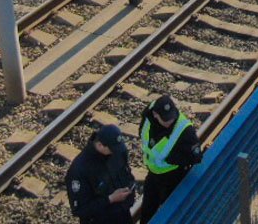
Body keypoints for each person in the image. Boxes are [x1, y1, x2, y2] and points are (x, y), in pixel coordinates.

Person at [139, 95, 202, 223]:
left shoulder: (185, 130)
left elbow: (196, 157)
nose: (170, 121)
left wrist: (170, 158)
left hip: (173, 178)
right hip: (153, 175)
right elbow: (143, 131)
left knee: (173, 214)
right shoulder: (148, 114)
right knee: (147, 213)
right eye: (165, 119)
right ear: (155, 114)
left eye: (172, 117)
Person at [65, 124, 136, 224]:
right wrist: (110, 199)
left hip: (122, 215)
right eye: (112, 149)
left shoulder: (117, 151)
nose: (115, 152)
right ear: (100, 145)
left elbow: (126, 172)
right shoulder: (79, 170)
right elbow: (81, 210)